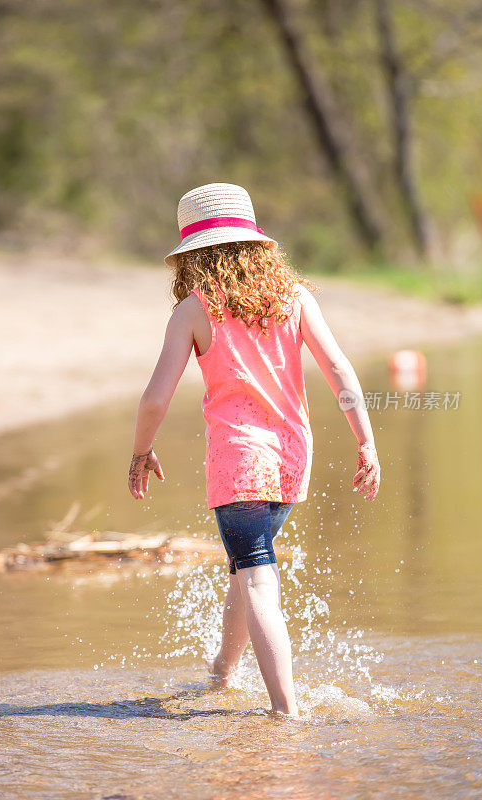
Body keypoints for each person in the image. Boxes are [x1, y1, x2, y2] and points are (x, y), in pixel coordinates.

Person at [128, 183, 380, 719]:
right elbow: (339, 369)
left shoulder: (194, 310)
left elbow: (155, 399)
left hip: (239, 462)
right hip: (292, 459)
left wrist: (140, 452)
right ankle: (225, 670)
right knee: (248, 568)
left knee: (258, 578)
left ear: (192, 255)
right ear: (256, 244)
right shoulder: (295, 297)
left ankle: (284, 713)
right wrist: (366, 439)